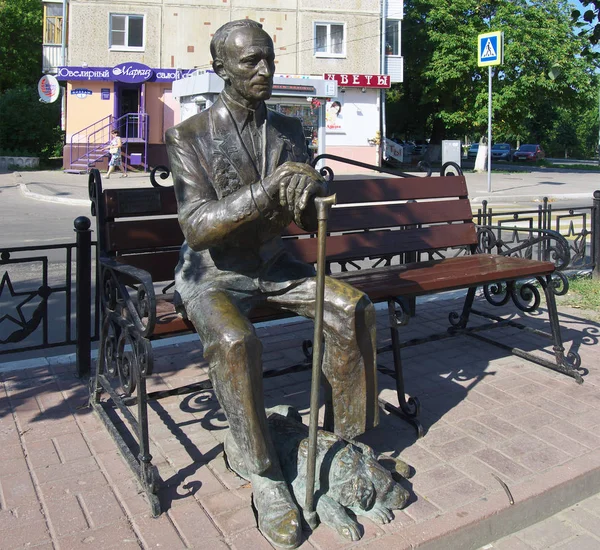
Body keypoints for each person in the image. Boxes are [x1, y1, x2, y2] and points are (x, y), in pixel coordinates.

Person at [165, 19, 378, 549]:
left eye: (268, 58)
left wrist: (312, 200)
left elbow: (305, 220)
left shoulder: (288, 129)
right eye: (249, 62)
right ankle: (265, 475)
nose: (264, 69)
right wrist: (266, 192)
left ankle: (345, 447)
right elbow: (197, 225)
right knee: (236, 341)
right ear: (220, 69)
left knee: (351, 308)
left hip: (273, 266)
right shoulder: (188, 136)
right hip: (212, 273)